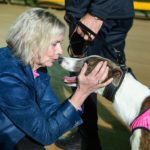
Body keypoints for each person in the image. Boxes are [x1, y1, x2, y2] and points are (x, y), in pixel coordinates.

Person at [0, 8, 113, 150]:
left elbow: (50, 111)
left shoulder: (35, 64)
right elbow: (46, 134)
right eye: (54, 44)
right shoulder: (8, 79)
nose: (60, 51)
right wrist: (81, 93)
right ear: (33, 43)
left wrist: (81, 89)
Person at [55, 0, 134, 150]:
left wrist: (96, 13)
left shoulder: (95, 14)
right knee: (115, 71)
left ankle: (87, 140)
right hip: (116, 10)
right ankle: (147, 123)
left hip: (92, 14)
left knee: (84, 71)